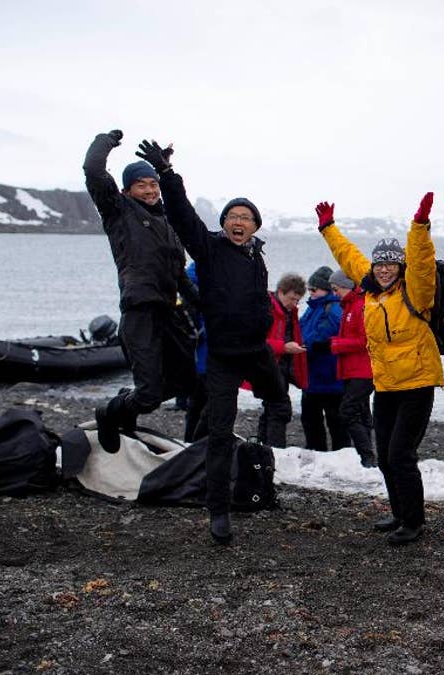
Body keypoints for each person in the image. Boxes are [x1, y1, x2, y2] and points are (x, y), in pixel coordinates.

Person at [136, 139, 290, 545]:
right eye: (232, 216)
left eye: (246, 217)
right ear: (224, 224)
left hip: (256, 351)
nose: (238, 221)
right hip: (223, 355)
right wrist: (167, 176)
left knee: (280, 399)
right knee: (220, 435)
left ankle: (263, 455)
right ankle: (218, 510)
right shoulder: (209, 248)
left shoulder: (257, 255)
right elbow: (183, 216)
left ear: (255, 226)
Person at [317, 194, 444, 546]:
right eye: (380, 264)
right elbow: (349, 256)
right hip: (386, 385)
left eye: (391, 264)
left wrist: (419, 226)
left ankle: (414, 522)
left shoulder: (416, 292)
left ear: (400, 268)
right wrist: (328, 228)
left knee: (401, 453)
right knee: (386, 455)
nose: (384, 269)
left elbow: (421, 262)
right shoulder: (371, 291)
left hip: (417, 383)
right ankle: (400, 512)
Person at [83, 130, 196, 452]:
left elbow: (181, 278)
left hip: (168, 313)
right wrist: (106, 141)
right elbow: (93, 171)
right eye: (141, 185)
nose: (149, 190)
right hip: (140, 311)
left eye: (153, 184)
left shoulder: (167, 224)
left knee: (186, 382)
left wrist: (206, 306)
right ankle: (109, 412)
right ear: (127, 190)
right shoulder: (118, 211)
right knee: (147, 394)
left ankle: (124, 404)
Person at [328, 269, 376, 467]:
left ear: (346, 287)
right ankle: (368, 457)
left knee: (348, 411)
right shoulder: (349, 305)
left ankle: (367, 457)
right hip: (353, 369)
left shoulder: (359, 306)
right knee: (361, 411)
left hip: (363, 371)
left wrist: (336, 345)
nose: (334, 293)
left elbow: (365, 340)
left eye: (336, 288)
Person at [299, 266, 349, 452]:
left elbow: (322, 336)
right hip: (314, 376)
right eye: (309, 289)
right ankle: (317, 453)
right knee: (311, 420)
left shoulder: (333, 308)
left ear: (327, 290)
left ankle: (340, 456)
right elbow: (302, 330)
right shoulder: (314, 308)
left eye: (314, 289)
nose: (310, 293)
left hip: (329, 377)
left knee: (335, 422)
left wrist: (303, 347)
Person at [257, 274, 307, 447]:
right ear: (280, 292)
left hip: (282, 367)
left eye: (297, 300)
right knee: (280, 409)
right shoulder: (266, 308)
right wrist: (284, 347)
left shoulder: (290, 311)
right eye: (292, 298)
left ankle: (263, 447)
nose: (294, 303)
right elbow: (256, 340)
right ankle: (275, 452)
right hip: (268, 366)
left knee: (272, 409)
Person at [181, 261, 209, 442]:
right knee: (205, 407)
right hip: (206, 357)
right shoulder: (204, 283)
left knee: (195, 406)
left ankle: (189, 443)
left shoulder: (187, 281)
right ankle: (197, 444)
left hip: (195, 357)